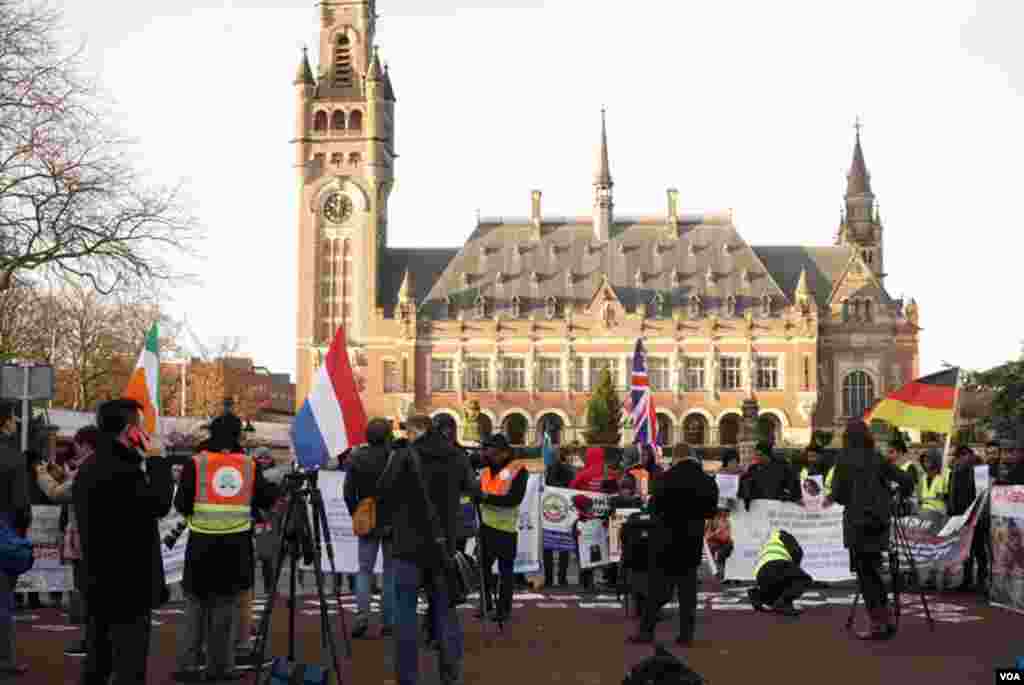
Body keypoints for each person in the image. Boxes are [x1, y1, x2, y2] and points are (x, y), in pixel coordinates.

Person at [172, 415, 279, 682]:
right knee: (226, 607)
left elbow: (182, 504)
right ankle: (220, 667)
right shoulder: (248, 465)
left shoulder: (196, 463)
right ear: (238, 436)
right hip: (235, 545)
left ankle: (188, 664)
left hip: (201, 543)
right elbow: (266, 497)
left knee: (195, 603)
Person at [75, 399, 174, 684]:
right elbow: (158, 503)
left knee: (98, 659)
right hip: (129, 583)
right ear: (130, 430)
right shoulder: (124, 471)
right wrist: (157, 460)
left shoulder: (90, 466)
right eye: (141, 427)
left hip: (97, 577)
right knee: (129, 662)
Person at [377, 415, 476, 685]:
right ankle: (450, 672)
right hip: (443, 545)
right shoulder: (457, 456)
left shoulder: (403, 456)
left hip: (407, 545)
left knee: (406, 614)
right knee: (445, 610)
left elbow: (383, 491)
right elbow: (472, 490)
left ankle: (408, 678)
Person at [830, 419, 913, 641]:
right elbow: (906, 480)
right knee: (874, 572)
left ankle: (879, 623)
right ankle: (883, 620)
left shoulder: (844, 459)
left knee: (866, 577)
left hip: (857, 524)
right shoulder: (876, 458)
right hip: (878, 523)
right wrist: (893, 495)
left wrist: (852, 498)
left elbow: (838, 495)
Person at [629, 446, 718, 646]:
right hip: (691, 540)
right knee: (688, 593)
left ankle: (646, 631)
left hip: (665, 540)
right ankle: (686, 635)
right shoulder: (706, 481)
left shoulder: (664, 478)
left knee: (657, 590)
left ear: (676, 458)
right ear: (693, 457)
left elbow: (652, 508)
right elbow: (711, 511)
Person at [343, 418, 395, 639]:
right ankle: (389, 621)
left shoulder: (356, 458)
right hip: (392, 520)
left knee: (364, 570)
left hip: (366, 517)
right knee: (391, 572)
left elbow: (348, 492)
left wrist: (357, 512)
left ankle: (362, 617)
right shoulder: (394, 457)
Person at [475, 434, 528, 622]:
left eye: (491, 451)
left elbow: (514, 499)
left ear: (504, 453)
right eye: (486, 451)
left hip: (505, 530)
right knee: (482, 570)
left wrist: (485, 498)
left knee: (506, 573)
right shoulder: (484, 470)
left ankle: (503, 609)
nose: (487, 454)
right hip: (484, 528)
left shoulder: (517, 470)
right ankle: (485, 603)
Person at [0, 401, 29, 676]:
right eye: (12, 418)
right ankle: (5, 659)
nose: (16, 423)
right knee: (2, 601)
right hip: (4, 530)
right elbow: (21, 505)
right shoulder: (11, 457)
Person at [747, 529, 812, 616]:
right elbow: (797, 551)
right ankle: (785, 602)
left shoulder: (768, 541)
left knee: (775, 594)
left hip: (760, 573)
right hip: (777, 564)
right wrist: (796, 568)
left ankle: (757, 596)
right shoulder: (783, 535)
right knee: (805, 579)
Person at [543, 446, 575, 588]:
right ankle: (562, 579)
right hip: (564, 510)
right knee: (563, 546)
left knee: (548, 546)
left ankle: (549, 579)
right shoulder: (569, 470)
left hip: (549, 509)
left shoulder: (549, 469)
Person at [739, 442, 800, 509]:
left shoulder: (782, 467)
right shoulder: (753, 469)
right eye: (756, 455)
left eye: (760, 455)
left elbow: (793, 485)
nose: (757, 457)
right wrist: (747, 496)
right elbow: (745, 484)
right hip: (759, 508)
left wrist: (788, 496)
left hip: (778, 508)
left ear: (768, 455)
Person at [918, 448, 948, 518]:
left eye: (928, 461)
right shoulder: (923, 477)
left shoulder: (941, 478)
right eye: (924, 461)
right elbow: (920, 496)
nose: (925, 463)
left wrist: (928, 500)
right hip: (924, 511)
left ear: (935, 461)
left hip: (937, 511)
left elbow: (942, 496)